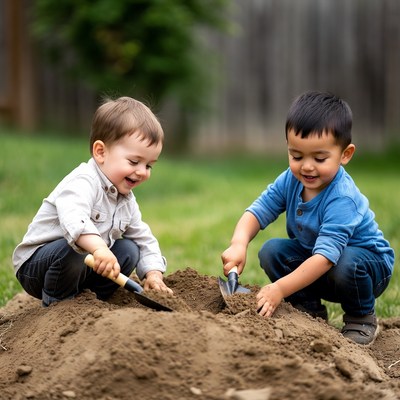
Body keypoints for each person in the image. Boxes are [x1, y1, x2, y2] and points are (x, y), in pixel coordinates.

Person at [221, 91, 395, 345]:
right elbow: (258, 211)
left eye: (320, 158)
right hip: (321, 263)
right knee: (272, 251)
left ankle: (361, 317)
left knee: (346, 262)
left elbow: (325, 259)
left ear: (345, 155)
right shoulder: (291, 180)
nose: (307, 167)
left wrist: (279, 289)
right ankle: (309, 310)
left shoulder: (342, 197)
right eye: (297, 156)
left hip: (366, 267)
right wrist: (239, 243)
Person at [13, 96, 172, 307]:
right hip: (38, 266)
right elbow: (74, 219)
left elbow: (143, 237)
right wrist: (99, 248)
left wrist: (153, 272)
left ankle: (92, 300)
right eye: (134, 161)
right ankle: (58, 305)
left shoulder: (126, 200)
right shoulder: (83, 181)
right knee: (75, 249)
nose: (142, 172)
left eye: (149, 165)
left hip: (83, 265)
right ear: (101, 152)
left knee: (130, 250)